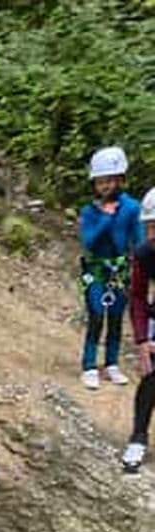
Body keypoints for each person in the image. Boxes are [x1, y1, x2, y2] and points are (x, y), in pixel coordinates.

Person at [78, 145, 142, 389]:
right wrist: (105, 217)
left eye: (109, 181)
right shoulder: (89, 211)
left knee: (116, 317)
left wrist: (141, 268)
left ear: (120, 180)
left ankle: (112, 363)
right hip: (95, 270)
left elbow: (138, 241)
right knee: (96, 315)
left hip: (121, 270)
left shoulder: (132, 208)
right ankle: (89, 365)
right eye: (100, 182)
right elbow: (89, 241)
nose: (105, 187)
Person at [122, 188, 155, 472]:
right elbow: (137, 296)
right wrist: (143, 340)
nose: (152, 233)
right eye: (149, 227)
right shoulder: (146, 253)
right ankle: (138, 436)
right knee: (151, 373)